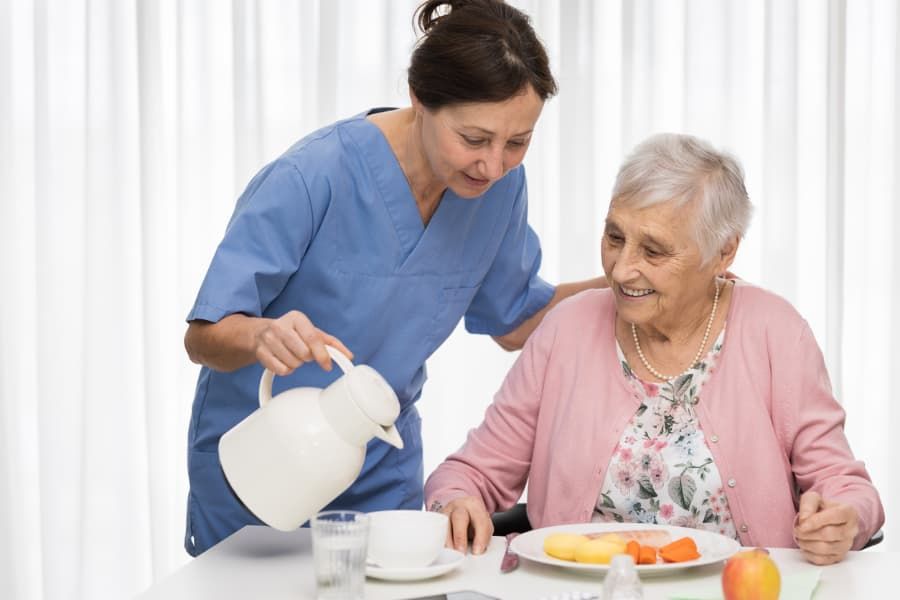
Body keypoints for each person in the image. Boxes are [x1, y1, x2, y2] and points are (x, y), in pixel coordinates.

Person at [182, 0, 606, 556]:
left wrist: (630, 282)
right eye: (474, 139)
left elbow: (517, 318)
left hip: (379, 468)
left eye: (517, 142)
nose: (494, 165)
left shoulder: (498, 189)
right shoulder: (312, 176)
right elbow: (203, 337)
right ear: (419, 99)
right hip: (265, 464)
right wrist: (260, 335)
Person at [425, 133, 885, 565]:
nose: (622, 270)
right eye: (615, 237)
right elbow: (469, 472)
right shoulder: (566, 330)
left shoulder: (775, 332)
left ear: (723, 253)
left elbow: (844, 485)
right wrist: (457, 499)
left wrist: (843, 518)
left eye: (654, 251)